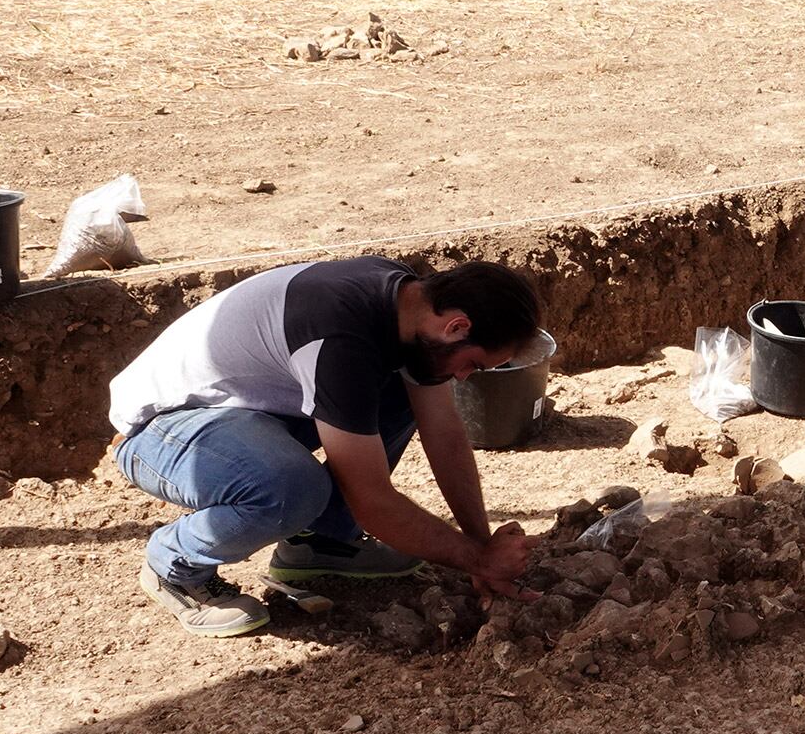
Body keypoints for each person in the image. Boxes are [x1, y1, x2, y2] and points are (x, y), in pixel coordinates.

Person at [109, 257, 542, 638]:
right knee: (290, 489)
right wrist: (477, 561)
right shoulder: (341, 338)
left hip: (251, 411)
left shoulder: (408, 306)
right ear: (457, 326)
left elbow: (443, 433)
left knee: (405, 387)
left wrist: (481, 543)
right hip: (163, 428)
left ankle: (321, 542)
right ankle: (175, 566)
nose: (465, 377)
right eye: (473, 364)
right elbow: (373, 501)